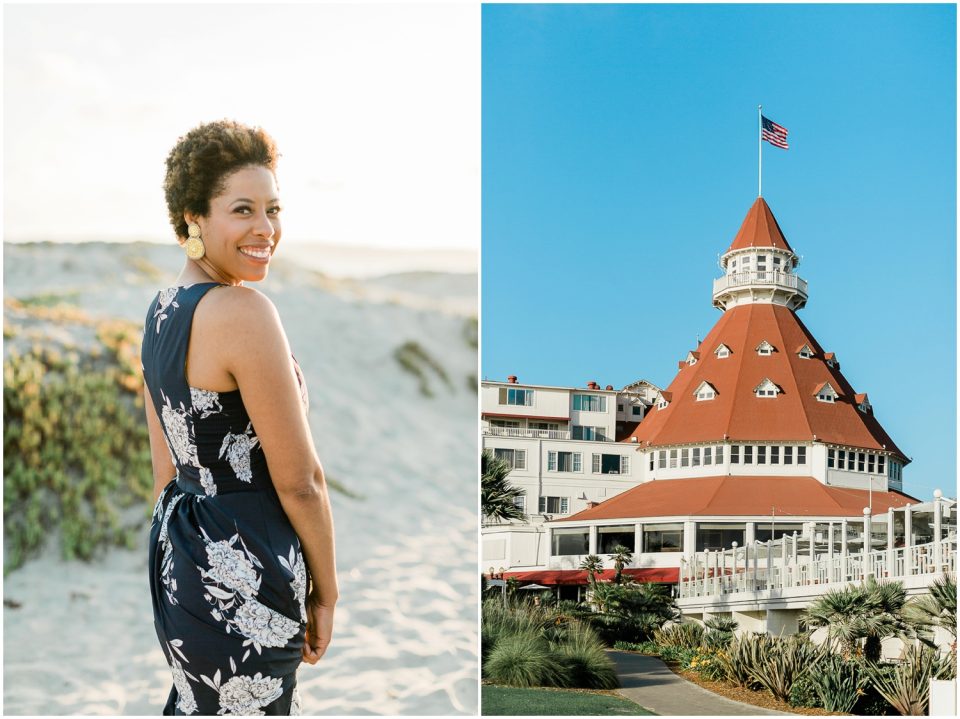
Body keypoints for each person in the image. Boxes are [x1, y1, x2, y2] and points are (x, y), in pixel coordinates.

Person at [141, 120, 338, 715]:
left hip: (181, 557)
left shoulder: (160, 312)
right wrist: (327, 593)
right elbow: (301, 483)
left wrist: (182, 569)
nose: (265, 229)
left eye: (273, 209)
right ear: (193, 219)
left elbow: (165, 470)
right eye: (242, 210)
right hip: (248, 562)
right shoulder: (244, 311)